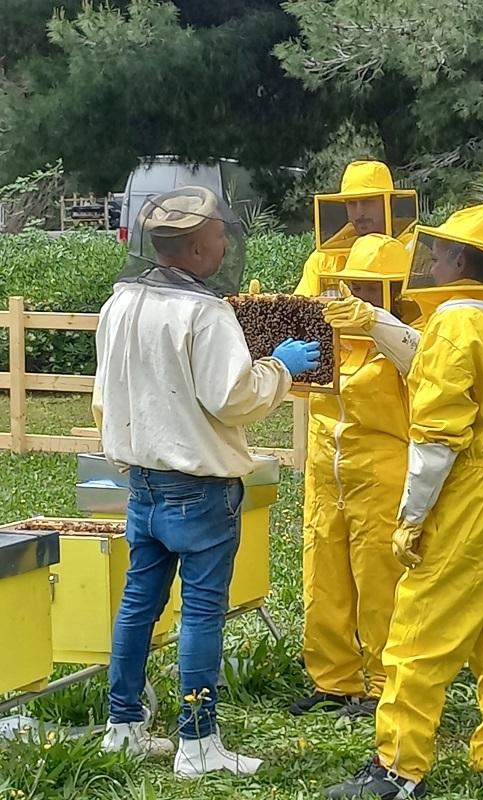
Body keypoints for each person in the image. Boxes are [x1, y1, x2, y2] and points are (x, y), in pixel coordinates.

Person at [323, 201, 483, 798]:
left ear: (462, 259)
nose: (430, 260)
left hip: (476, 486)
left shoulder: (458, 323)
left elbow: (435, 440)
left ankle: (398, 770)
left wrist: (411, 517)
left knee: (421, 628)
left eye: (441, 252)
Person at [92, 186, 320, 777]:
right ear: (195, 247)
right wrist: (280, 368)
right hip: (199, 489)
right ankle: (198, 745)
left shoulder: (119, 301)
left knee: (138, 604)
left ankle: (123, 726)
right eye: (219, 234)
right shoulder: (205, 312)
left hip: (141, 483)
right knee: (201, 612)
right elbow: (235, 399)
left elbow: (104, 399)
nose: (226, 243)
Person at [290, 234, 420, 718]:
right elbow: (304, 388)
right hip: (326, 469)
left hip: (382, 471)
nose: (362, 298)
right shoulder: (337, 333)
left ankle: (386, 682)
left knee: (380, 578)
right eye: (357, 287)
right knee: (323, 573)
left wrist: (381, 327)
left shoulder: (412, 334)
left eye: (374, 288)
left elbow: (422, 366)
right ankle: (334, 680)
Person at [295, 160, 418, 296]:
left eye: (367, 201)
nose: (359, 212)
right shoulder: (323, 260)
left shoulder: (414, 252)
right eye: (351, 203)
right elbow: (299, 307)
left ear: (390, 201)